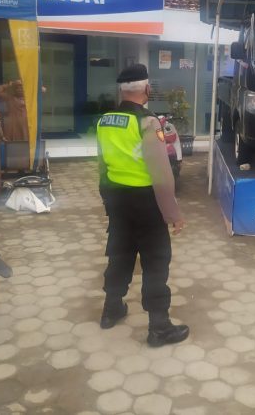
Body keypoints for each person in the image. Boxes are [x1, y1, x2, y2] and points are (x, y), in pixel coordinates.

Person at [97, 64, 189, 347]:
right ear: (147, 89)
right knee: (156, 260)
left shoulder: (105, 120)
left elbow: (102, 164)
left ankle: (111, 309)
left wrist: (108, 199)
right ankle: (159, 327)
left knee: (120, 253)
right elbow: (161, 173)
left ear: (121, 91)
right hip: (146, 202)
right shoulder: (148, 122)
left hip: (117, 198)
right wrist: (173, 213)